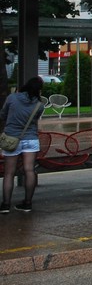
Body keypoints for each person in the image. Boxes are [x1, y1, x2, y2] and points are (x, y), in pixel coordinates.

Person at [1, 76, 45, 213]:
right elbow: (35, 121)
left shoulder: (12, 98)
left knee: (9, 173)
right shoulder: (40, 105)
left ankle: (5, 205)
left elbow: (3, 115)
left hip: (11, 139)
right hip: (31, 139)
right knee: (29, 170)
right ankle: (27, 203)